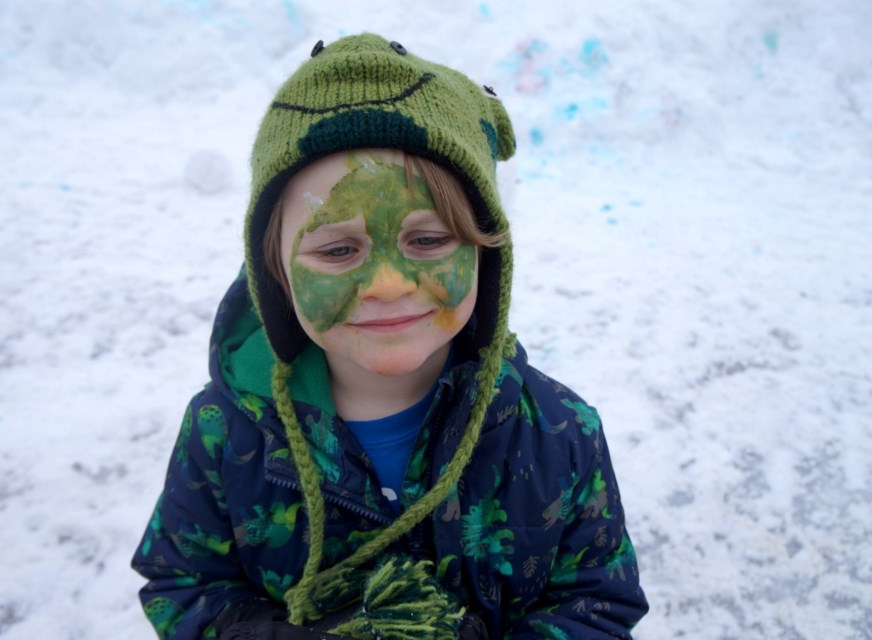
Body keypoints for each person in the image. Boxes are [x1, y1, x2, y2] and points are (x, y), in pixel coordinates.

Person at [132, 33, 648, 639]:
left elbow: (597, 602)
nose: (383, 284)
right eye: (337, 248)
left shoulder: (560, 432)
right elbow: (183, 585)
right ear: (275, 274)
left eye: (426, 241)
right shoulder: (222, 431)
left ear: (486, 256)